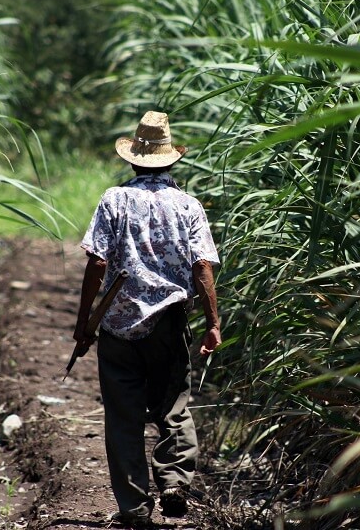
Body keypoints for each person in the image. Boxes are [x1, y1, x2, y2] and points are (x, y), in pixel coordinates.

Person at [72, 111, 221, 526]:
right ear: (171, 160)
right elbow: (202, 268)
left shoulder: (114, 200)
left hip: (118, 325)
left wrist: (85, 323)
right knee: (173, 408)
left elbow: (98, 263)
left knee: (123, 418)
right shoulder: (187, 205)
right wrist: (213, 322)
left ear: (134, 159)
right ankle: (174, 481)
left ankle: (135, 510)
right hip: (169, 323)